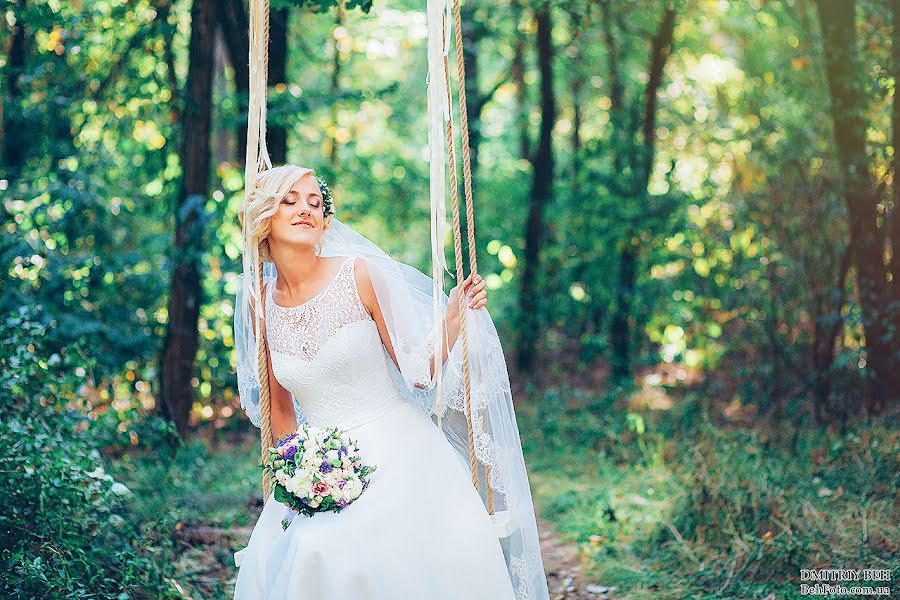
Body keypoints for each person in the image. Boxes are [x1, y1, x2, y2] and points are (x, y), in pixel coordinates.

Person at [232, 164, 550, 599]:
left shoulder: (359, 274)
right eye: (290, 200)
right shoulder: (261, 305)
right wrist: (293, 479)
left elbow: (419, 373)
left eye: (313, 201)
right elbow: (281, 411)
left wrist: (454, 315)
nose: (306, 209)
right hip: (318, 467)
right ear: (265, 217)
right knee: (307, 555)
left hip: (397, 453)